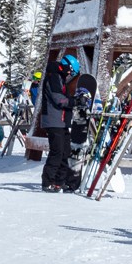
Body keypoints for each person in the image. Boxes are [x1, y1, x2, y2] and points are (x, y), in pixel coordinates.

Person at [39, 54, 78, 192]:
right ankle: (47, 182)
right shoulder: (54, 76)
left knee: (65, 152)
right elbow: (58, 99)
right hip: (53, 120)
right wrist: (74, 102)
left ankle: (59, 181)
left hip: (61, 121)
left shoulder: (59, 77)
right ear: (66, 66)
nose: (69, 74)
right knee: (57, 152)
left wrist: (75, 99)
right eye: (70, 71)